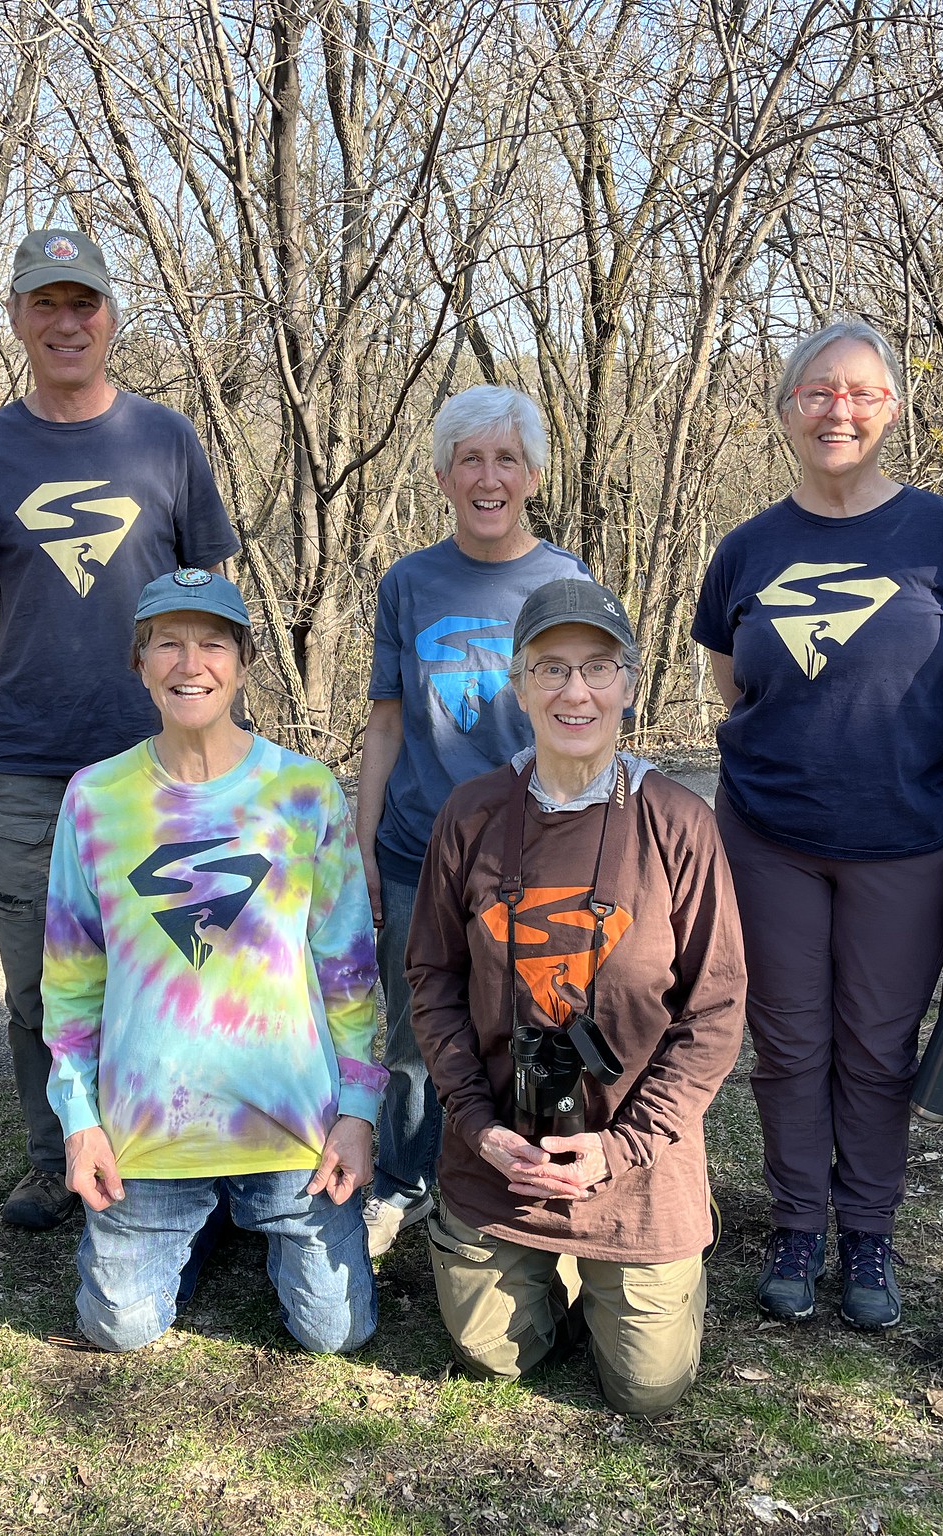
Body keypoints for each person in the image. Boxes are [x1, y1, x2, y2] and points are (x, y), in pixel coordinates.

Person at [691, 320, 943, 1330]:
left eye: (860, 393)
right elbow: (734, 691)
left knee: (874, 1047)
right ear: (784, 411)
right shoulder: (747, 549)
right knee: (786, 1044)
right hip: (768, 836)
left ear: (892, 410)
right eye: (816, 392)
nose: (838, 410)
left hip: (903, 841)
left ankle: (866, 1234)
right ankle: (795, 1226)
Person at [0, 229, 239, 1231]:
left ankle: (183, 1150)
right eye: (44, 304)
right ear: (16, 318)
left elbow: (213, 598)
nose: (66, 323)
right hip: (24, 760)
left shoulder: (166, 441)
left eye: (84, 303)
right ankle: (48, 1153)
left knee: (174, 964)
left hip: (155, 757)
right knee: (35, 986)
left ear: (111, 315)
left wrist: (223, 731)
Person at [408, 578, 748, 1415]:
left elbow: (715, 1010)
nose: (575, 692)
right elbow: (433, 980)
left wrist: (622, 1148)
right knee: (496, 1358)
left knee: (648, 1391)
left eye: (598, 668)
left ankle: (643, 1255)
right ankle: (518, 1255)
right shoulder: (472, 815)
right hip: (502, 1157)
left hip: (634, 1164)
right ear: (517, 686)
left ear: (629, 684)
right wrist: (476, 1125)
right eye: (550, 669)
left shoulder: (678, 824)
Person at [42, 570, 385, 1353]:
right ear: (140, 663)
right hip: (149, 1136)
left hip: (292, 1132)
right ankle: (198, 1223)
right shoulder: (95, 798)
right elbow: (71, 980)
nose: (189, 663)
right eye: (168, 643)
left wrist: (359, 1111)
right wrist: (79, 1122)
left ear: (243, 660)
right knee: (119, 1330)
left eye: (212, 643)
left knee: (337, 1334)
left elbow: (348, 969)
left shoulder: (304, 792)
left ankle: (243, 1213)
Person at [359, 385, 590, 1256]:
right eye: (469, 459)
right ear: (443, 474)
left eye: (504, 459)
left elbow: (589, 723)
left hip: (531, 848)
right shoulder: (408, 582)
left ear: (532, 473)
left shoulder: (564, 582)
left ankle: (522, 1180)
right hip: (418, 846)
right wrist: (365, 845)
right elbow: (385, 722)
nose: (487, 477)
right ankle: (403, 1181)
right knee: (417, 1026)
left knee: (530, 1020)